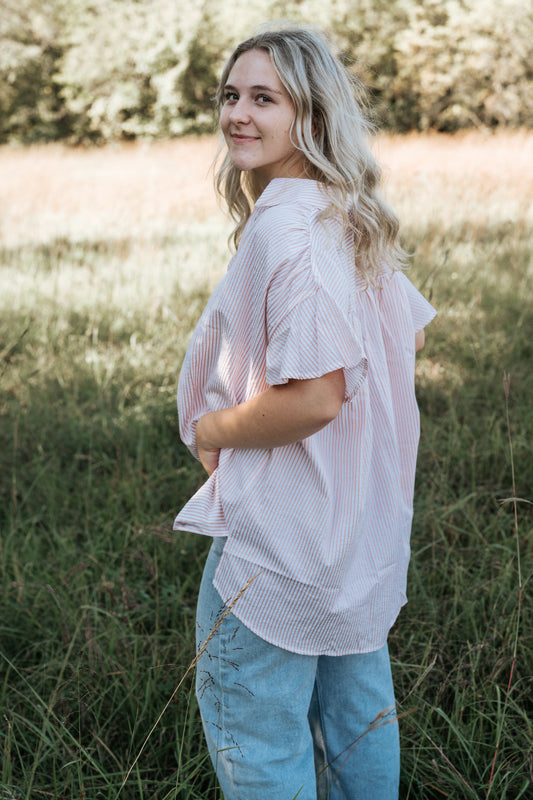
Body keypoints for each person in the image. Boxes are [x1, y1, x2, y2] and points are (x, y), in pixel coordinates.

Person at [173, 24, 436, 800]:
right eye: (230, 95)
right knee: (355, 717)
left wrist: (211, 428)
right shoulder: (341, 213)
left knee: (256, 728)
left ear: (310, 113)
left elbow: (317, 396)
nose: (236, 114)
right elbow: (400, 346)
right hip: (351, 526)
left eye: (264, 98)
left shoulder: (287, 226)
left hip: (283, 532)